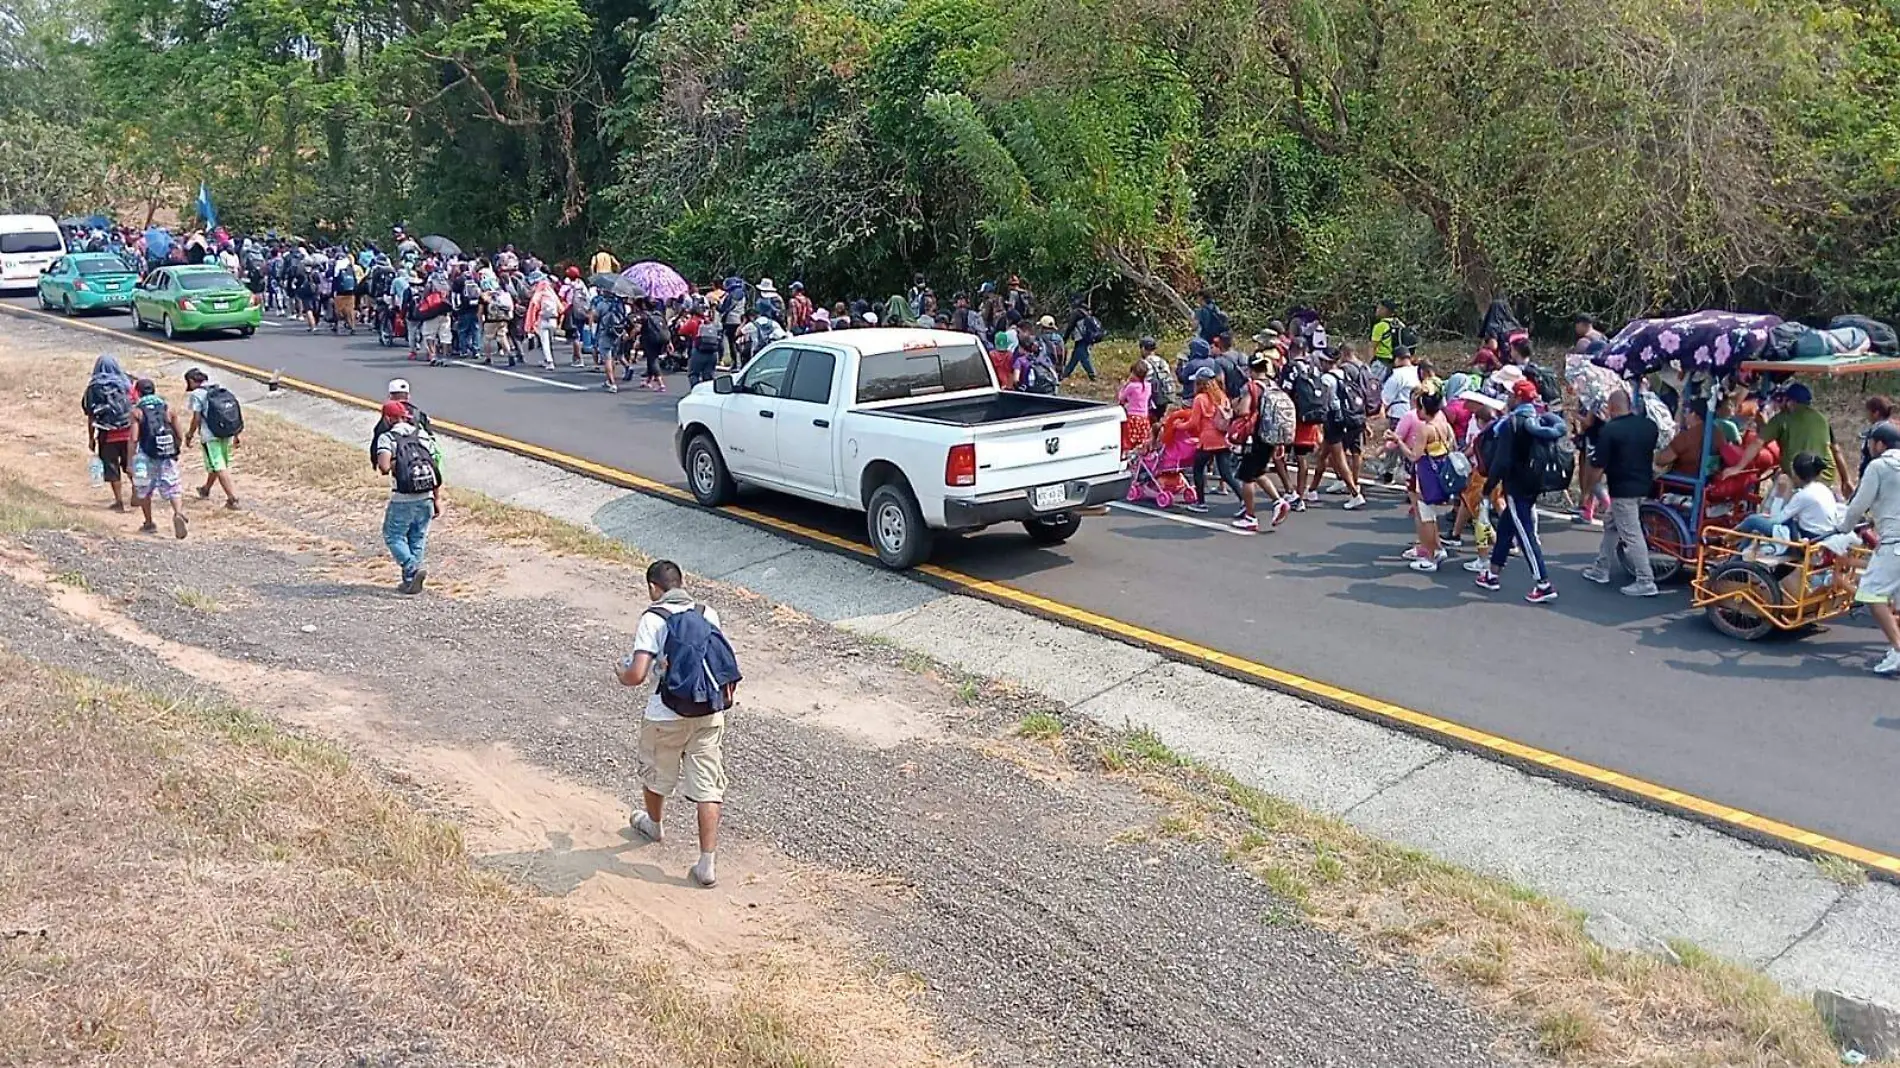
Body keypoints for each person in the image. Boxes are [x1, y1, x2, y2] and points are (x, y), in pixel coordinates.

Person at [617, 559, 737, 888]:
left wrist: (621, 672)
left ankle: (654, 825)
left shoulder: (653, 617)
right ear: (682, 583)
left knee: (656, 768)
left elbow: (638, 673)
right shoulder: (706, 612)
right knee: (708, 785)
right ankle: (707, 864)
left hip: (666, 713)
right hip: (709, 710)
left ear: (654, 588)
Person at [1474, 379, 1565, 603]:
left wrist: (1488, 486)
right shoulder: (1538, 419)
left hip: (1516, 485)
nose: (1508, 398)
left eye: (1510, 395)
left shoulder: (1512, 424)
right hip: (1534, 482)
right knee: (1507, 527)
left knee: (1525, 534)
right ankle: (1492, 574)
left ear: (1517, 397)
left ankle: (1543, 583)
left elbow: (1502, 460)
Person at [1834, 423, 1900, 673]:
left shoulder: (1879, 466)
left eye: (1871, 442)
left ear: (1880, 444)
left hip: (1895, 543)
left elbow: (1858, 503)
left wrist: (1844, 527)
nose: (1868, 446)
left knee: (1871, 594)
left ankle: (1898, 648)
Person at [1580, 389, 1660, 596]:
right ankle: (1601, 567)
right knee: (1611, 525)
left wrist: (1588, 491)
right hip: (1644, 485)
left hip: (1622, 489)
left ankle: (1645, 580)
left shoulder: (1611, 430)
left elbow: (1598, 466)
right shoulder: (1649, 426)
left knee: (1632, 535)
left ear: (1612, 407)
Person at [373, 399, 441, 594]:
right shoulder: (422, 435)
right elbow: (433, 464)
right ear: (405, 416)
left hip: (403, 497)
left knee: (393, 535)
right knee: (417, 537)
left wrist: (398, 464)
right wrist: (437, 499)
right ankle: (410, 582)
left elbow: (384, 467)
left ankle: (412, 567)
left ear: (387, 418)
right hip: (426, 494)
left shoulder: (388, 438)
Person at [1724, 383, 1838, 486]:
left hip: (1802, 478)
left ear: (1790, 402)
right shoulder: (1822, 419)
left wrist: (1738, 467)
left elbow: (1758, 442)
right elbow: (1836, 450)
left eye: (1782, 400)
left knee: (1773, 501)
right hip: (1826, 477)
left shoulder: (1782, 418)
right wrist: (1846, 480)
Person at [1391, 388, 1453, 570]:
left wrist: (1398, 441)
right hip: (1438, 470)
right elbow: (1451, 442)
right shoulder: (1442, 422)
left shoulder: (1425, 429)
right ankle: (1437, 548)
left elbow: (1413, 456)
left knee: (1425, 516)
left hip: (1425, 475)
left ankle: (1430, 556)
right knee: (1430, 514)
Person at [1735, 452, 1842, 556]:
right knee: (1758, 521)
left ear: (1795, 474)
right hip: (1822, 537)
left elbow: (1775, 520)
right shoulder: (1824, 489)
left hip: (1806, 541)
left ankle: (1728, 538)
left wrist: (1779, 495)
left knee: (1752, 520)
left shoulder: (1803, 495)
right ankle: (1734, 562)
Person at [1233, 354, 1295, 531]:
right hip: (1272, 436)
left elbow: (1244, 411)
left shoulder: (1251, 387)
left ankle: (1250, 516)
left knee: (1247, 477)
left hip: (1255, 437)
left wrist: (1236, 408)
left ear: (1251, 370)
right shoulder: (1274, 386)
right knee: (1258, 472)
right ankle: (1278, 501)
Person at [129, 378, 189, 539]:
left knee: (144, 489)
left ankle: (149, 523)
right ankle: (177, 513)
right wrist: (175, 449)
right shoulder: (167, 408)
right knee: (172, 485)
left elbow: (134, 438)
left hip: (146, 455)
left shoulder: (137, 412)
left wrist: (131, 459)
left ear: (138, 392)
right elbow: (179, 433)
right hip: (165, 452)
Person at [1183, 366, 1244, 514]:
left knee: (1198, 469)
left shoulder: (1200, 399)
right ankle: (1243, 499)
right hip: (1222, 438)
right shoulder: (1222, 396)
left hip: (1207, 440)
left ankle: (1201, 502)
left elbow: (1193, 423)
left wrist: (1179, 425)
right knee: (1226, 473)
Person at [83, 355, 138, 513]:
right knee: (129, 464)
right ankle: (136, 490)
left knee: (112, 468)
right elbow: (136, 406)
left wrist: (91, 438)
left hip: (107, 435)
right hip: (128, 433)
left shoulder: (93, 387)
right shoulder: (126, 384)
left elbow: (91, 415)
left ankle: (119, 501)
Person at [181, 368, 241, 510]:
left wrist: (189, 434)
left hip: (210, 435)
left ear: (191, 381)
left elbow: (196, 418)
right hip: (226, 432)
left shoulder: (197, 394)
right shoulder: (219, 390)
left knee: (219, 466)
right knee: (218, 464)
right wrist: (236, 434)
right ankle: (206, 489)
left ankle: (232, 499)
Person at [1117, 362, 1152, 457]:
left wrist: (1122, 387)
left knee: (1129, 442)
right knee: (1141, 442)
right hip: (1144, 418)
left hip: (1132, 418)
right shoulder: (1148, 386)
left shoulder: (1131, 386)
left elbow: (1121, 398)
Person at [1065, 305, 1102, 381]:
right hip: (1088, 338)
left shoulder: (1076, 313)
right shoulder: (1087, 314)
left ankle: (1092, 375)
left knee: (1083, 356)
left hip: (1081, 338)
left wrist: (1065, 338)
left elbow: (1070, 326)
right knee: (1075, 356)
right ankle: (1065, 373)